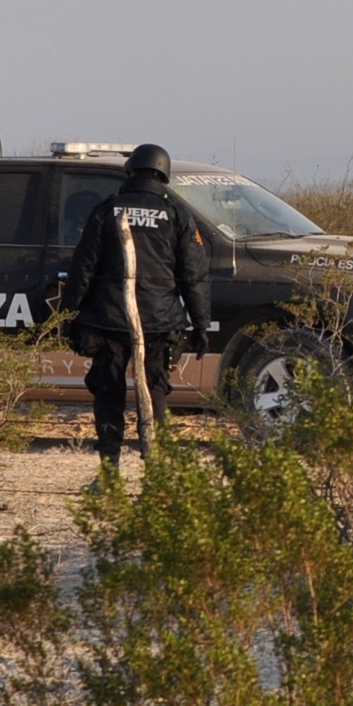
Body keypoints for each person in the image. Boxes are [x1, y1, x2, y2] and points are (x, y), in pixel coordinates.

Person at [57, 144, 212, 468]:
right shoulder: (176, 214)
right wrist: (201, 324)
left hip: (108, 321)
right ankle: (156, 468)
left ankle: (109, 468)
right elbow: (194, 275)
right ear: (163, 175)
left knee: (108, 394)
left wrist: (69, 316)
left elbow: (82, 268)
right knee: (155, 393)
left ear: (130, 171)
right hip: (160, 322)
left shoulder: (107, 209)